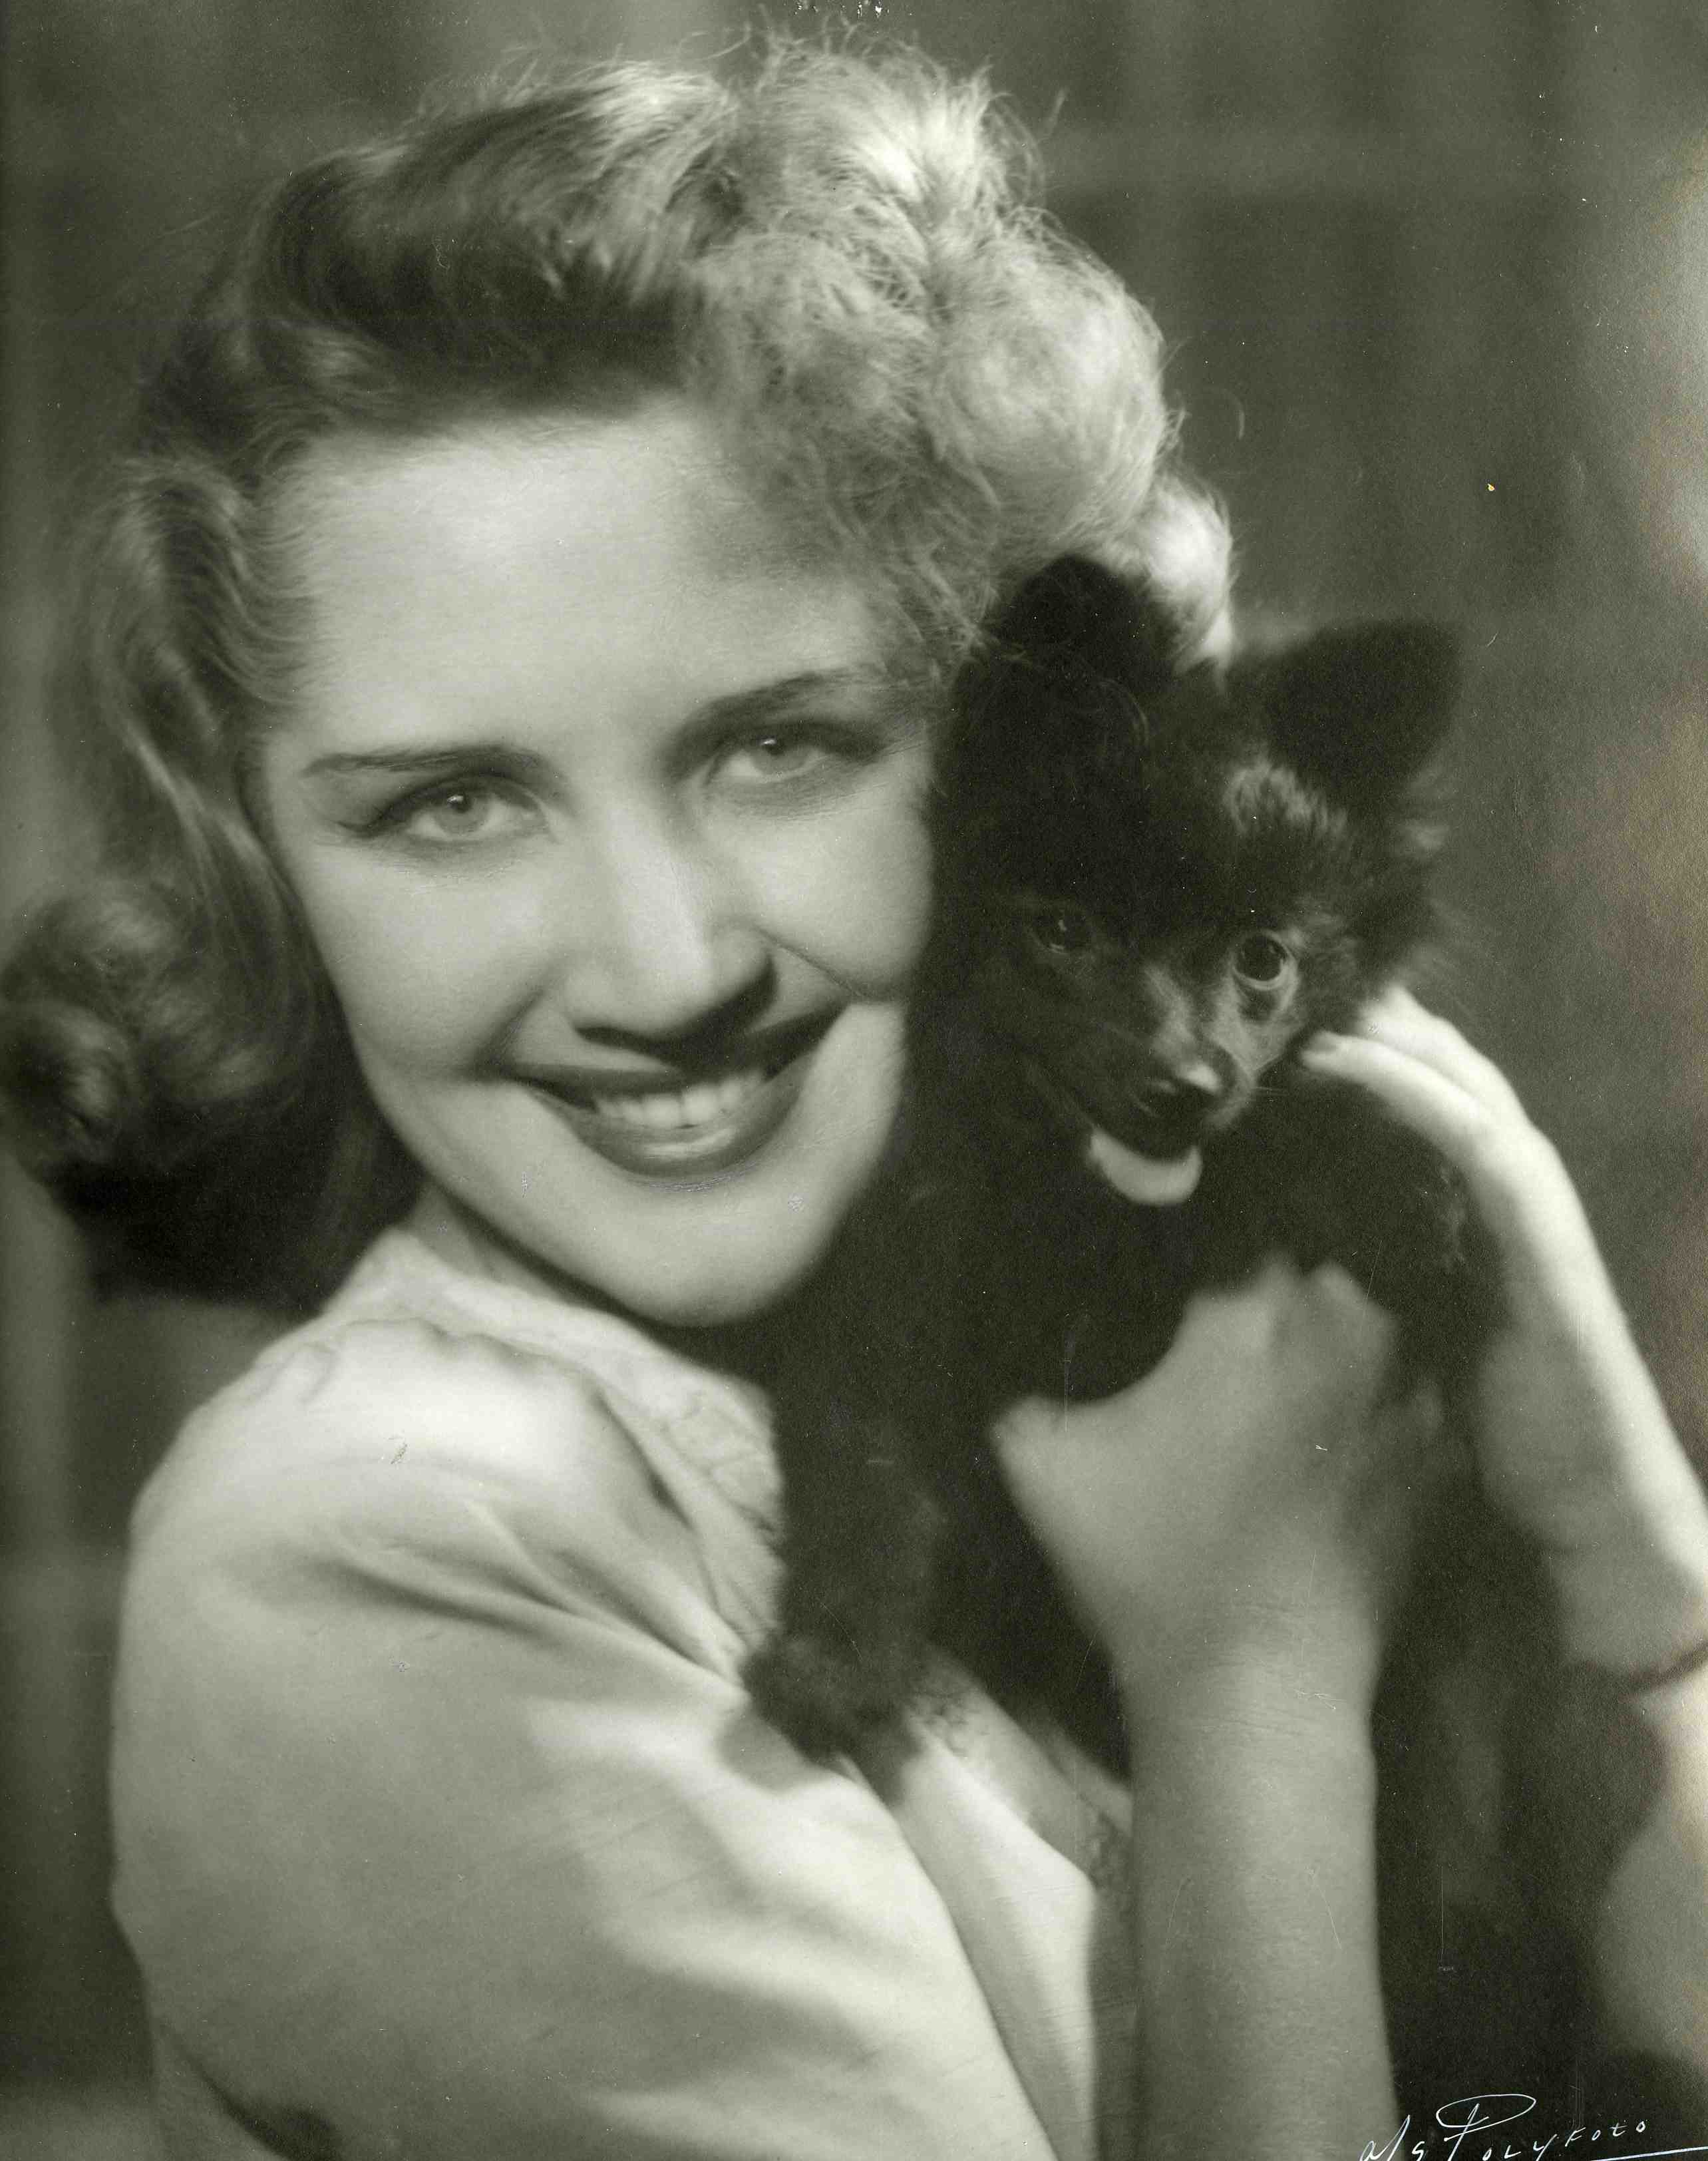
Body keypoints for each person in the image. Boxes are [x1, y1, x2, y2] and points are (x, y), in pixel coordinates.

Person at [2, 41, 1705, 2161]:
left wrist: (1631, 1561)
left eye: (779, 748)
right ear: (270, 874)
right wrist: (1251, 1665)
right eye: (452, 806)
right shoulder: (394, 1548)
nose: (664, 972)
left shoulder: (1059, 1330)